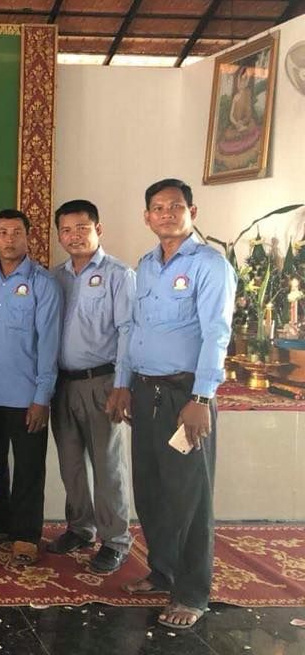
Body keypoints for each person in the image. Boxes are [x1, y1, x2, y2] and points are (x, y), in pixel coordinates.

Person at [121, 179, 236, 630]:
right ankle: (162, 571)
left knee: (189, 496)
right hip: (145, 390)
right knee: (151, 489)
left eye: (175, 206)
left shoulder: (210, 265)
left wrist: (201, 397)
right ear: (147, 216)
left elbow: (217, 334)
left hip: (185, 395)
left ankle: (191, 593)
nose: (166, 213)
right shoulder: (146, 265)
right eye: (157, 207)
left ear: (192, 212)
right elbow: (135, 328)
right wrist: (124, 383)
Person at [0, 209, 62, 566]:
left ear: (28, 237)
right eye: (3, 232)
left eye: (16, 232)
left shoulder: (43, 283)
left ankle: (25, 535)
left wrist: (42, 397)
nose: (9, 239)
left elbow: (49, 345)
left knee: (28, 468)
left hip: (27, 396)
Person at [47, 200, 135, 574]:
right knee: (70, 464)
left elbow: (128, 331)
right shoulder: (56, 277)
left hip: (102, 382)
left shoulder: (119, 274)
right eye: (66, 230)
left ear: (98, 229)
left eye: (82, 228)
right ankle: (80, 528)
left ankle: (115, 540)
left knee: (107, 465)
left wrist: (122, 385)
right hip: (62, 384)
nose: (74, 236)